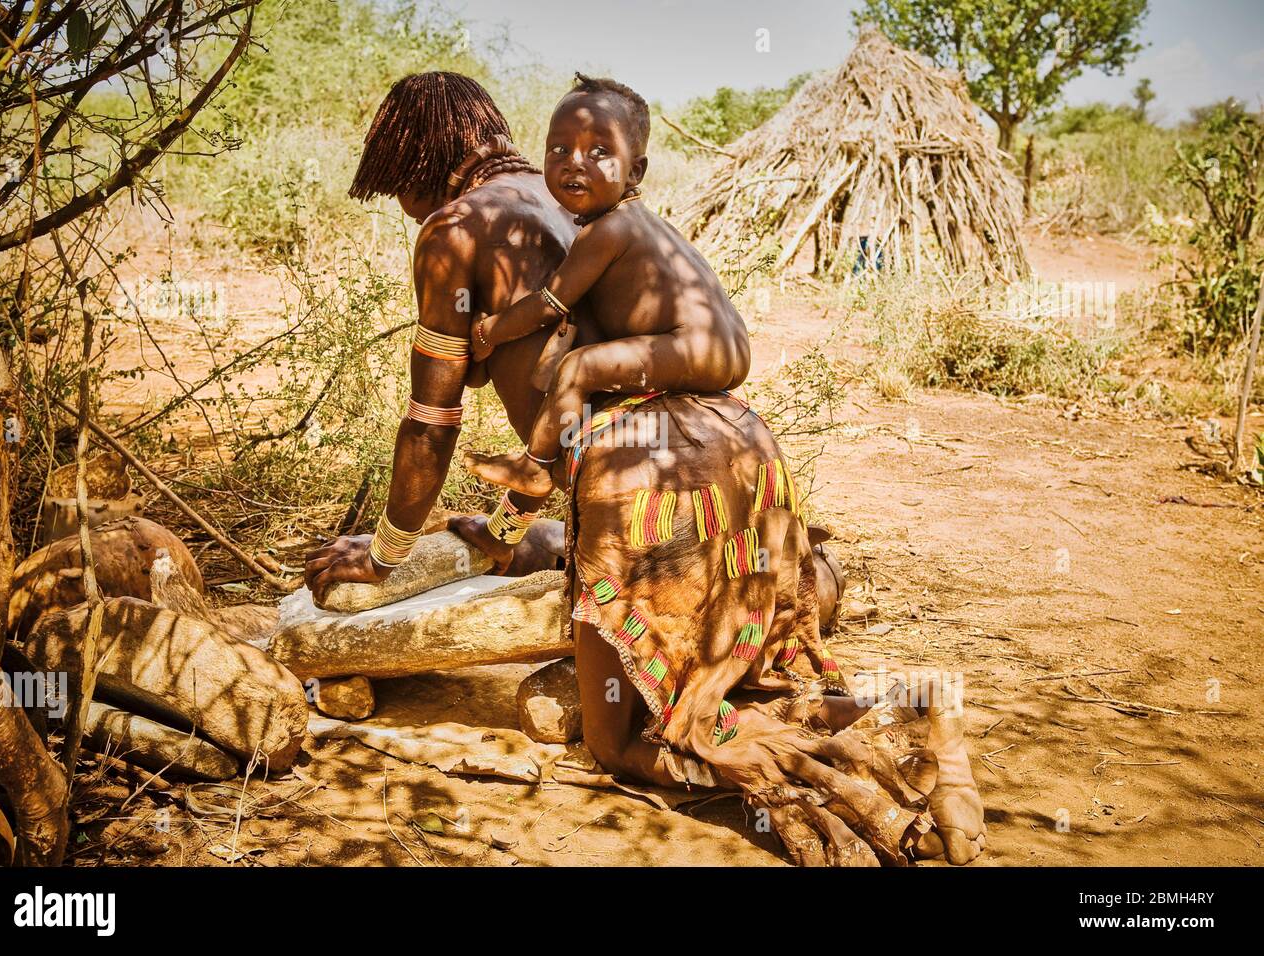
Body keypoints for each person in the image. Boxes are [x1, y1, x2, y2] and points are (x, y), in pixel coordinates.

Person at [302, 71, 986, 866]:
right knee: (739, 677)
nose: (402, 210)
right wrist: (512, 537)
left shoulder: (454, 229)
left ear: (411, 161)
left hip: (639, 482)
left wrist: (385, 553)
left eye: (395, 190)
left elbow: (432, 421)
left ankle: (875, 760)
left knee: (624, 738)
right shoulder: (581, 200)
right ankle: (913, 705)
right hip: (740, 448)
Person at [461, 74, 750, 497]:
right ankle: (510, 525)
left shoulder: (606, 232)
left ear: (635, 170)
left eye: (599, 151)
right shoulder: (647, 224)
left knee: (579, 368)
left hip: (697, 348)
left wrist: (489, 332)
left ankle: (535, 465)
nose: (574, 162)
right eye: (558, 149)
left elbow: (548, 305)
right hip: (731, 346)